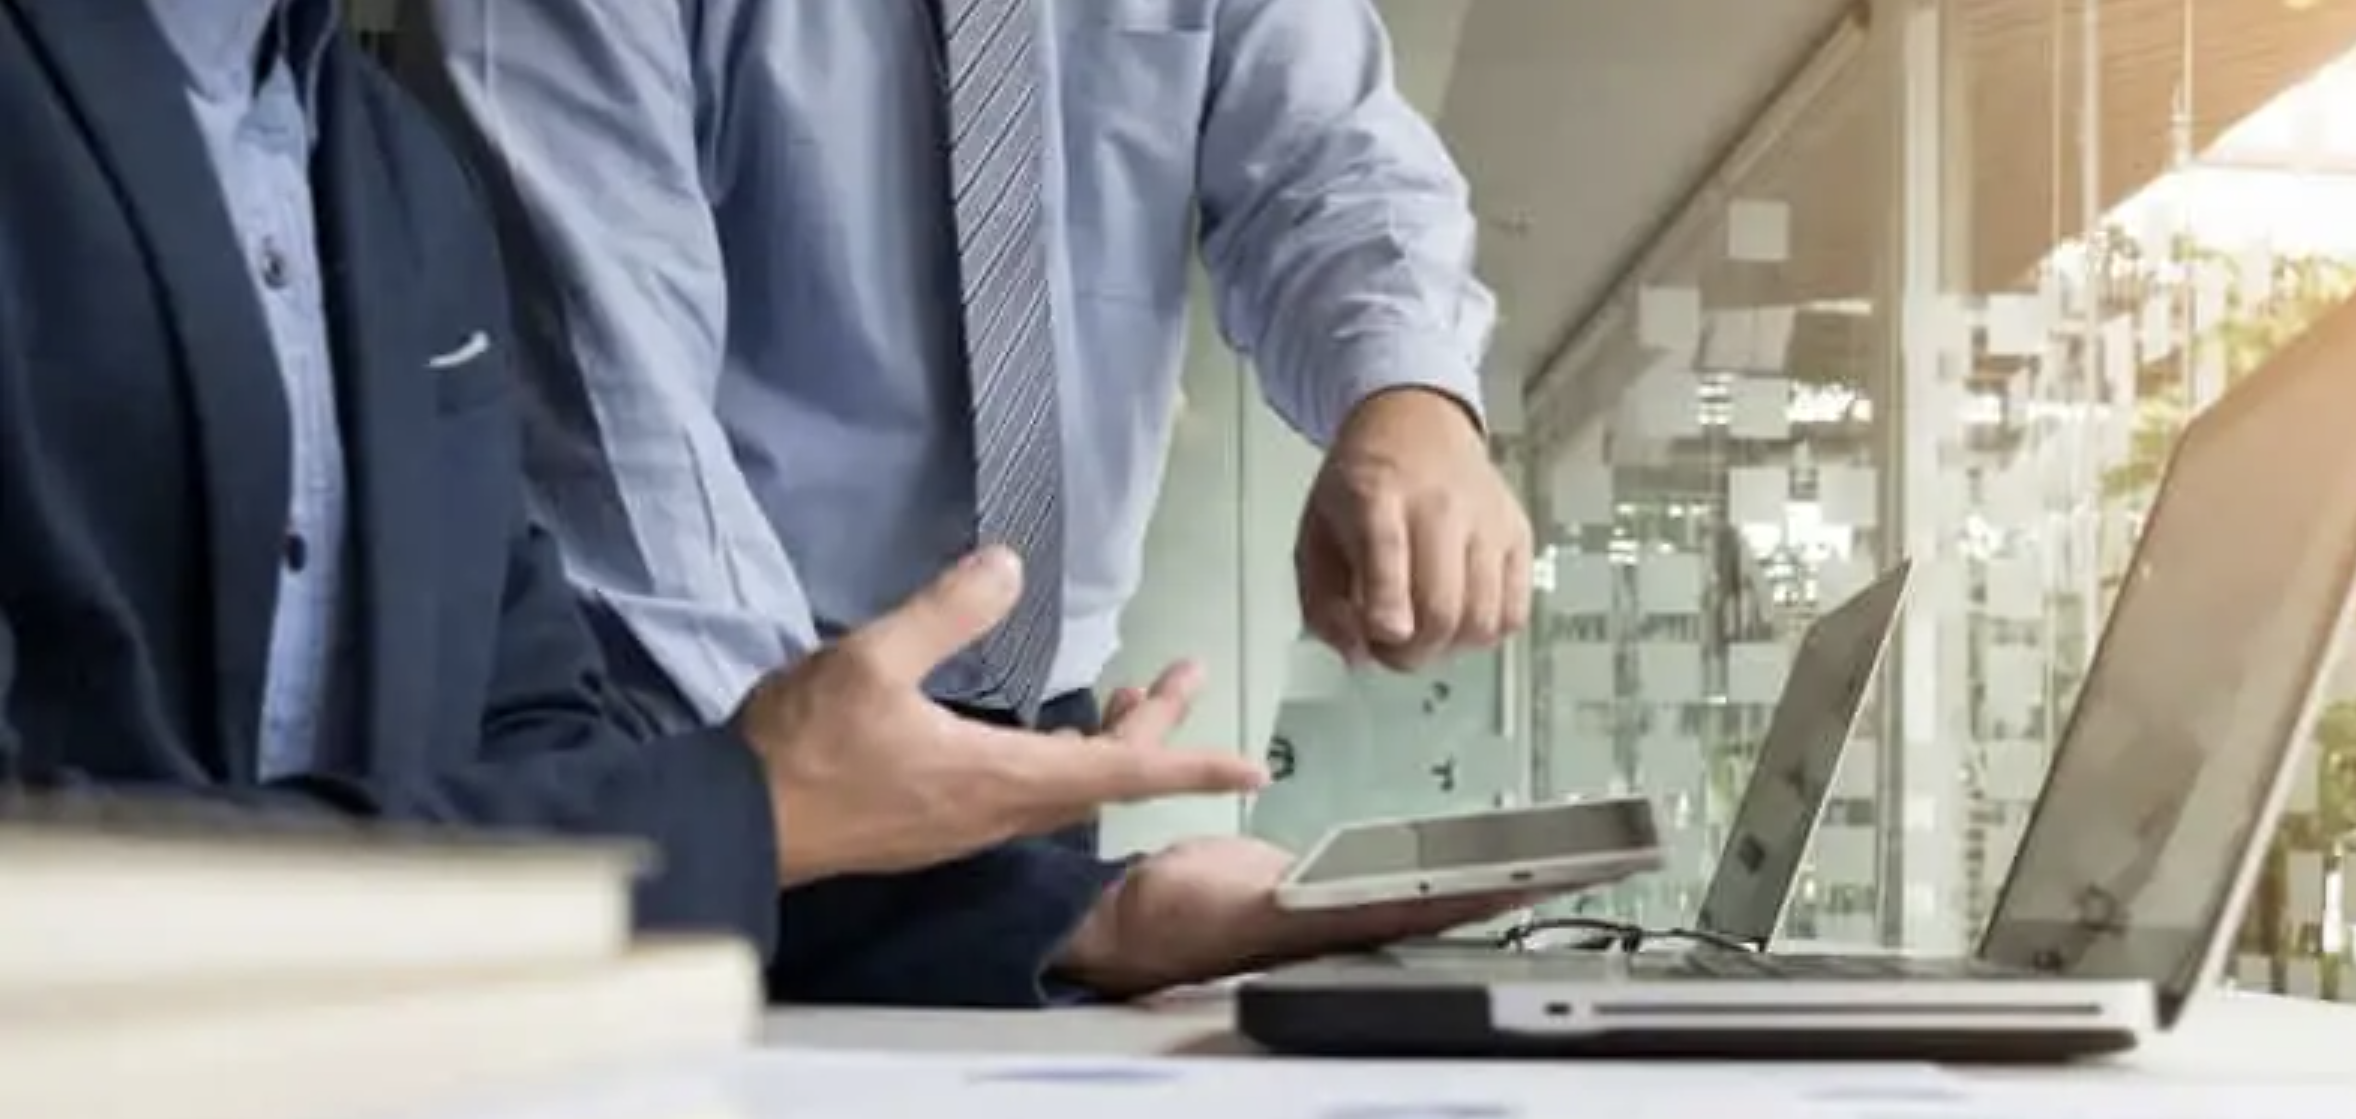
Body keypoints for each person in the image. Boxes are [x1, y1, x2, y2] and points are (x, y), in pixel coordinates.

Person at [0, 0, 1523, 1007]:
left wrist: (1074, 912)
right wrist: (789, 800)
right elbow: (617, 426)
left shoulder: (359, 159)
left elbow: (1330, 158)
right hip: (707, 695)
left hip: (887, 793)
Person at [394, 0, 1533, 856]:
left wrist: (1409, 400)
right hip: (696, 732)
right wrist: (796, 797)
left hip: (1040, 748)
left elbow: (1327, 160)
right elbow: (605, 402)